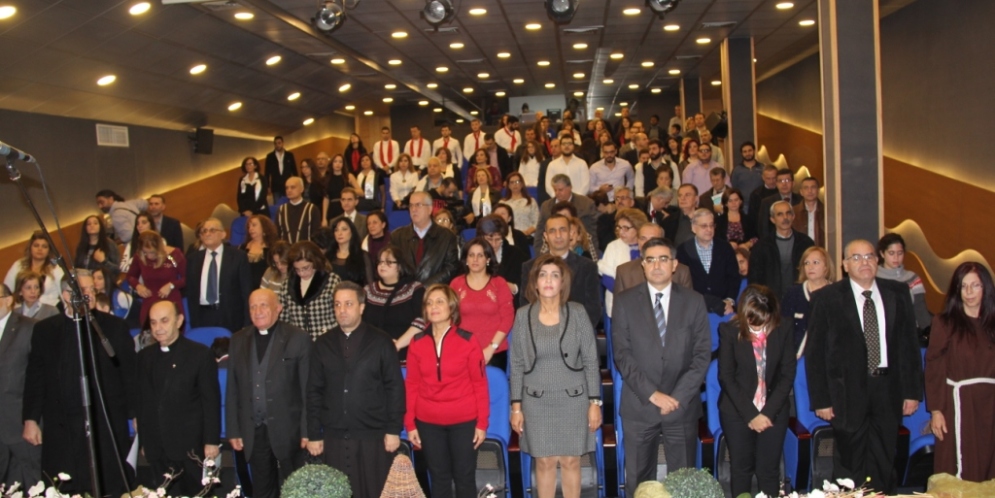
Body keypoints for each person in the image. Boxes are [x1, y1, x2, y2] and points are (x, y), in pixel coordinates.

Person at [805, 239, 923, 495]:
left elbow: (909, 346)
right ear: (845, 265)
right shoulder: (826, 297)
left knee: (884, 459)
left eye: (869, 256)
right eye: (856, 258)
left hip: (888, 388)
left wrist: (912, 392)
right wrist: (821, 400)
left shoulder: (898, 292)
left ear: (877, 261)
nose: (864, 262)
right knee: (849, 461)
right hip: (846, 392)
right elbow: (815, 354)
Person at [23, 270, 137, 496]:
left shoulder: (114, 327)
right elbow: (36, 378)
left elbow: (129, 374)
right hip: (62, 423)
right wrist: (30, 419)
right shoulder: (45, 331)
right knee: (66, 484)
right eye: (83, 290)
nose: (90, 294)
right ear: (66, 295)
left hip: (105, 420)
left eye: (92, 289)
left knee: (108, 483)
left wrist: (135, 414)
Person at [612, 237, 711, 493]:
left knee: (683, 483)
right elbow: (622, 355)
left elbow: (702, 355)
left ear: (674, 264)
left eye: (663, 259)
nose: (657, 265)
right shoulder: (624, 301)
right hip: (640, 404)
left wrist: (677, 397)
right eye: (651, 260)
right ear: (643, 265)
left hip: (681, 406)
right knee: (639, 483)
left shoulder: (694, 301)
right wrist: (653, 395)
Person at [510, 254, 602, 498]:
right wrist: (516, 408)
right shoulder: (523, 315)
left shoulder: (578, 312)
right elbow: (516, 363)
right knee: (544, 461)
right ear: (535, 282)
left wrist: (594, 402)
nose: (548, 280)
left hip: (573, 400)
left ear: (563, 283)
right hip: (536, 401)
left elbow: (591, 360)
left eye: (554, 275)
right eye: (543, 275)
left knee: (571, 460)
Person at [306, 281, 404, 498]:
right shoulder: (322, 344)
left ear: (361, 307)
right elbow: (314, 391)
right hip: (333, 437)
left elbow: (394, 388)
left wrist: (393, 429)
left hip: (373, 437)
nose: (342, 310)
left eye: (348, 304)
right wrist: (313, 434)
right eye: (337, 304)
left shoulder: (381, 341)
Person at [405, 284, 490, 498]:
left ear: (451, 307)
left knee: (464, 478)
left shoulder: (468, 341)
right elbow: (412, 384)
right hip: (428, 422)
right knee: (439, 479)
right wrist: (410, 423)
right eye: (429, 303)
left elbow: (480, 384)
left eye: (439, 301)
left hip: (464, 422)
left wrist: (482, 423)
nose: (434, 306)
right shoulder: (416, 342)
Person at [227, 288, 312, 498]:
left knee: (296, 491)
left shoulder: (298, 338)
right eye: (253, 307)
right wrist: (234, 430)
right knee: (262, 491)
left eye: (263, 305)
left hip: (290, 431)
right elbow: (233, 389)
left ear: (278, 308)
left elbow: (307, 389)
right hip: (254, 431)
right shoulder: (238, 340)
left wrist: (307, 430)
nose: (258, 311)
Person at [717, 284, 797, 498]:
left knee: (769, 470)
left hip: (774, 409)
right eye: (752, 322)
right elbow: (726, 377)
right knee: (741, 469)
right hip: (737, 410)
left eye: (764, 321)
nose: (758, 327)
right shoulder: (729, 331)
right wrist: (751, 415)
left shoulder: (784, 328)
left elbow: (787, 375)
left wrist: (767, 413)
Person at [137, 301, 221, 497]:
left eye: (164, 321)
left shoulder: (199, 354)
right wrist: (145, 441)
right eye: (153, 322)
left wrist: (211, 441)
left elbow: (211, 401)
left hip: (190, 448)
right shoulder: (144, 357)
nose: (158, 328)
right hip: (157, 447)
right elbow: (143, 402)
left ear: (179, 320)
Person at [925, 263, 995, 482]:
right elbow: (934, 366)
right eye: (964, 286)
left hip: (991, 405)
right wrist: (936, 411)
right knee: (958, 467)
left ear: (986, 288)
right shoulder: (945, 323)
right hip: (958, 405)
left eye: (975, 285)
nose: (969, 292)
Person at [519, 214, 602, 330]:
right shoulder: (530, 267)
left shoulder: (588, 267)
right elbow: (526, 306)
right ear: (545, 236)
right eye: (552, 231)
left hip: (578, 333)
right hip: (540, 333)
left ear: (571, 234)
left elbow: (593, 308)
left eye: (562, 230)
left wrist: (575, 334)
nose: (558, 235)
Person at [450, 238, 515, 368]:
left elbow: (507, 318)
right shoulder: (456, 284)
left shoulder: (499, 283)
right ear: (466, 259)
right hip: (462, 351)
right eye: (471, 255)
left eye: (480, 255)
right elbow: (450, 318)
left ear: (488, 259)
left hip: (494, 352)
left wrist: (491, 348)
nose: (475, 259)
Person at [0, 283, 39, 488]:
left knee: (32, 482)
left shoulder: (29, 327)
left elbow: (39, 376)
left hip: (20, 423)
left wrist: (32, 419)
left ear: (8, 300)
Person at [185, 218, 253, 332]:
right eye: (204, 231)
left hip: (230, 316)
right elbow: (191, 293)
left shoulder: (238, 257)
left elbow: (246, 291)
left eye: (212, 230)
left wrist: (247, 322)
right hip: (202, 316)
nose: (207, 234)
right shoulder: (193, 259)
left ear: (223, 234)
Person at [676, 209, 741, 316]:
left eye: (711, 225)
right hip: (694, 308)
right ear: (693, 228)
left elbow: (734, 277)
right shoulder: (683, 250)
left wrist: (730, 300)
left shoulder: (725, 248)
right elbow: (682, 283)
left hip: (725, 307)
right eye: (704, 226)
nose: (709, 229)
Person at [363, 246, 425, 359]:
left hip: (407, 355)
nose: (382, 265)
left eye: (388, 262)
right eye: (380, 262)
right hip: (374, 355)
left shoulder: (415, 289)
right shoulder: (368, 291)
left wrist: (397, 345)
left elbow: (421, 321)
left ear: (400, 266)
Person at [748, 201, 815, 300]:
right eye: (780, 214)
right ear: (772, 219)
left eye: (788, 213)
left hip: (800, 297)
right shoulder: (761, 246)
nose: (785, 218)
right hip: (771, 300)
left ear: (793, 216)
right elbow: (755, 279)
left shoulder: (806, 243)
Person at [392, 191, 460, 286]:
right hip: (404, 290)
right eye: (411, 205)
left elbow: (450, 269)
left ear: (429, 209)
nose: (413, 209)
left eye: (418, 205)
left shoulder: (447, 237)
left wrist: (423, 287)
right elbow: (392, 265)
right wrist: (408, 289)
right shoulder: (397, 236)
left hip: (434, 291)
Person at [280, 241, 341, 341]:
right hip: (298, 343)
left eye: (306, 268)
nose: (301, 273)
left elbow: (339, 314)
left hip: (327, 341)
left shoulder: (332, 280)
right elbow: (284, 320)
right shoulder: (286, 285)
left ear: (316, 262)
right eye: (297, 269)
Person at [780, 246, 834, 356]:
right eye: (806, 263)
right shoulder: (793, 294)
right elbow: (783, 329)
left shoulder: (837, 294)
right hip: (797, 357)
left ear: (826, 267)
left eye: (816, 262)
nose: (810, 267)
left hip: (828, 356)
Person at [613, 223, 694, 295]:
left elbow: (688, 303)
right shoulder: (624, 272)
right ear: (637, 241)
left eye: (653, 239)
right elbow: (620, 305)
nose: (647, 243)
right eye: (643, 238)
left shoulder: (681, 272)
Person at [127, 230, 186, 326]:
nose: (149, 256)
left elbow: (186, 278)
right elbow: (130, 276)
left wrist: (171, 285)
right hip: (150, 301)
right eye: (145, 252)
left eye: (152, 252)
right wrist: (138, 286)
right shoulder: (140, 257)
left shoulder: (172, 256)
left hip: (170, 299)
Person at [877, 233, 932, 332]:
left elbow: (920, 310)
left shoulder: (912, 278)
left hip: (908, 330)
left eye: (900, 253)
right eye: (891, 253)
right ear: (882, 253)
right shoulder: (872, 278)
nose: (896, 257)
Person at [598, 208, 649, 316]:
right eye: (619, 227)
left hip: (645, 303)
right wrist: (627, 297)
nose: (621, 232)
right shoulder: (613, 247)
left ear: (638, 227)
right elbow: (607, 279)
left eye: (626, 228)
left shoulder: (648, 247)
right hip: (618, 301)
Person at [3, 232, 65, 307]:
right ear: (30, 247)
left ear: (49, 250)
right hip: (21, 310)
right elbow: (5, 291)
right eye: (36, 245)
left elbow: (64, 294)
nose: (40, 249)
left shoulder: (55, 269)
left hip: (48, 309)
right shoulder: (18, 265)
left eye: (44, 246)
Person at [477, 216, 529, 296]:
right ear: (481, 237)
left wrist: (514, 288)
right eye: (489, 239)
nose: (493, 244)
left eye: (498, 239)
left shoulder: (516, 255)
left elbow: (527, 284)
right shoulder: (472, 255)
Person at [756, 168, 802, 240]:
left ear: (793, 183)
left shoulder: (801, 200)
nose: (784, 184)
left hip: (798, 240)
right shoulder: (767, 202)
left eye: (787, 180)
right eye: (780, 181)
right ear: (776, 184)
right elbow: (763, 228)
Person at [327, 217, 373, 286]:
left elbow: (370, 284)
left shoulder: (362, 256)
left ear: (352, 232)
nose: (339, 233)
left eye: (344, 229)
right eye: (336, 230)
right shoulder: (328, 256)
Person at [74, 214, 120, 280]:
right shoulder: (81, 246)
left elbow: (117, 270)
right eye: (89, 224)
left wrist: (104, 261)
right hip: (85, 281)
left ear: (100, 226)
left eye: (95, 223)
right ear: (85, 228)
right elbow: (77, 267)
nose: (92, 225)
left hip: (104, 281)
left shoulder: (109, 244)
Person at [277, 176, 322, 244]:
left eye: (293, 187)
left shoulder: (312, 209)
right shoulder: (281, 210)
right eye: (287, 188)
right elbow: (278, 234)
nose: (289, 190)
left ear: (302, 189)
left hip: (306, 249)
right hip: (286, 249)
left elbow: (316, 234)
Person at [239, 214, 279, 288]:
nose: (250, 228)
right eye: (249, 226)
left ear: (264, 227)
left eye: (254, 225)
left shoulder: (273, 248)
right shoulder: (242, 248)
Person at [322, 154, 361, 222]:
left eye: (340, 162)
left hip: (347, 205)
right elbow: (326, 198)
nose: (338, 164)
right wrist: (324, 218)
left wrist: (349, 189)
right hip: (333, 208)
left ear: (343, 164)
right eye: (335, 161)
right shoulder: (327, 178)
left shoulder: (349, 176)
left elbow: (361, 192)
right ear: (332, 163)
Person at [499, 172, 540, 237]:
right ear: (508, 185)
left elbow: (537, 222)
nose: (515, 184)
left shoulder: (531, 201)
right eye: (512, 182)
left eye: (517, 182)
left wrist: (526, 232)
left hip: (527, 236)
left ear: (522, 184)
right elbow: (500, 222)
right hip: (509, 236)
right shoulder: (503, 203)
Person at [792, 177, 824, 247]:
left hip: (821, 250)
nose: (810, 191)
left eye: (813, 187)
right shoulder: (793, 212)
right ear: (801, 192)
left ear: (818, 190)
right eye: (806, 188)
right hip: (800, 250)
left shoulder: (826, 211)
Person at [730, 142, 764, 206]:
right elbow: (734, 188)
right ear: (742, 153)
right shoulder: (737, 170)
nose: (747, 153)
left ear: (754, 151)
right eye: (745, 152)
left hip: (761, 203)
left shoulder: (762, 168)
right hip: (744, 204)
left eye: (750, 150)